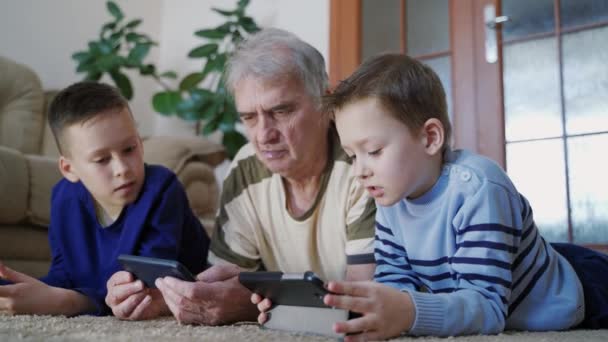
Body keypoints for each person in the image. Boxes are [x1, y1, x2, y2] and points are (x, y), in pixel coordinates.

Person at [265, 53, 607, 339]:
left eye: (373, 150)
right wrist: (362, 307)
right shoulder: (389, 196)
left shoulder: (479, 190)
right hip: (506, 270)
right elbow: (396, 283)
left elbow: (488, 309)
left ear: (430, 138)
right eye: (353, 156)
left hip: (573, 292)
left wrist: (411, 311)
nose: (359, 171)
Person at [105, 27, 377, 325]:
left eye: (281, 111)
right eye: (248, 117)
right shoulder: (247, 166)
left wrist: (254, 307)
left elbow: (363, 303)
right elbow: (222, 284)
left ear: (325, 103)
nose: (263, 135)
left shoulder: (362, 163)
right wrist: (167, 297)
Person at [0, 82, 209, 316]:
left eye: (129, 149)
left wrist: (71, 302)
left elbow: (144, 287)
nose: (122, 168)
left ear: (140, 142)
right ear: (69, 168)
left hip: (187, 294)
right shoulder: (63, 198)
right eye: (101, 160)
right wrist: (22, 291)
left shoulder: (162, 189)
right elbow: (65, 274)